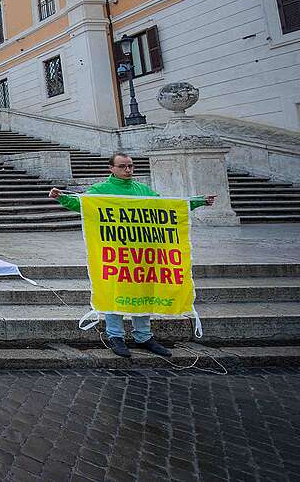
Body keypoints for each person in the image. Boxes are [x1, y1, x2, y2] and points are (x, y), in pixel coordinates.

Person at [49, 152, 217, 359]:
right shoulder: (100, 190)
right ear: (111, 168)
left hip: (142, 254)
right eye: (122, 166)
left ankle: (143, 336)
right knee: (114, 292)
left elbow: (168, 207)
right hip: (115, 254)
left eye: (130, 166)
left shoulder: (142, 190)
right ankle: (115, 336)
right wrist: (62, 197)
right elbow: (81, 204)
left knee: (143, 292)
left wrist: (198, 201)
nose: (128, 170)